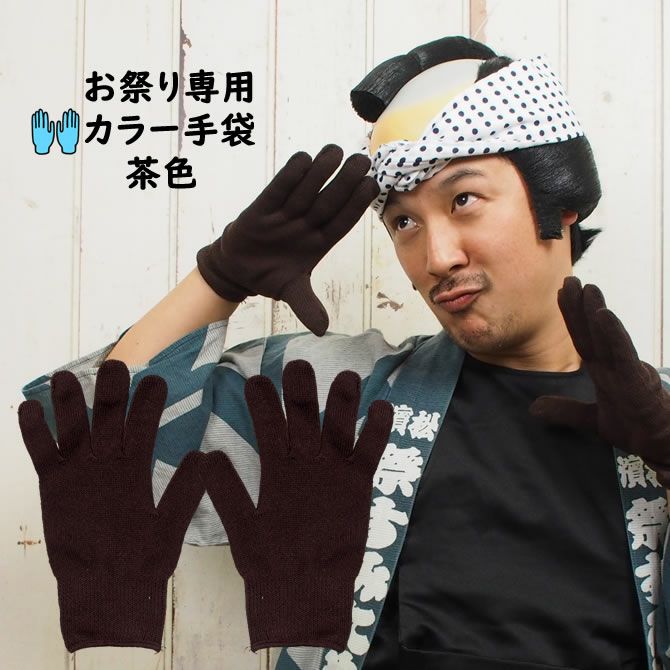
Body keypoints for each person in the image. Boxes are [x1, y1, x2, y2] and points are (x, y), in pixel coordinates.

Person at [21, 36, 670, 670]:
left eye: (464, 200)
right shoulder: (343, 398)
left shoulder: (657, 425)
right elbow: (92, 454)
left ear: (559, 203)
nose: (437, 257)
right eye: (405, 222)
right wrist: (219, 279)